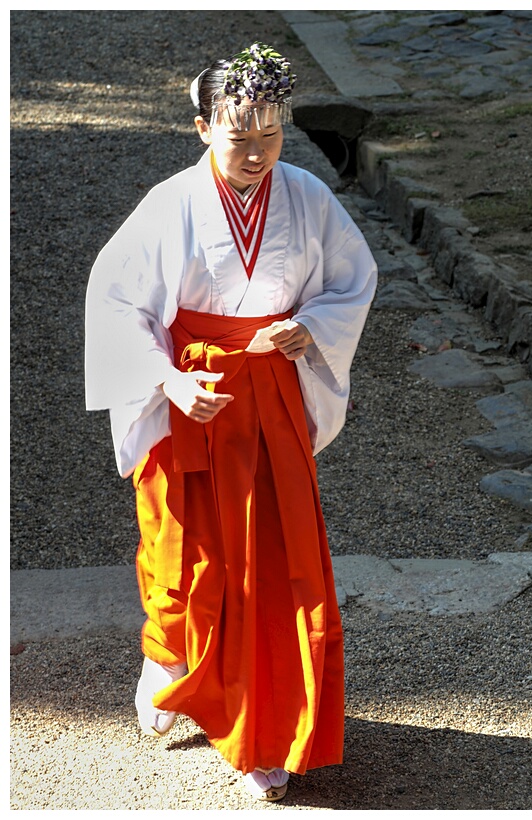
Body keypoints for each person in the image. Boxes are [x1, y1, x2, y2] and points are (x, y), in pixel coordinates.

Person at [85, 42, 377, 803]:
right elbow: (120, 304)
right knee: (182, 548)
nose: (256, 152)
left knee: (272, 562)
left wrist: (310, 323)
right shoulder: (169, 204)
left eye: (271, 134)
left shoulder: (308, 196)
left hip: (269, 393)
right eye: (238, 135)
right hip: (191, 390)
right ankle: (168, 656)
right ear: (201, 128)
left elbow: (351, 278)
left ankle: (261, 723)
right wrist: (167, 380)